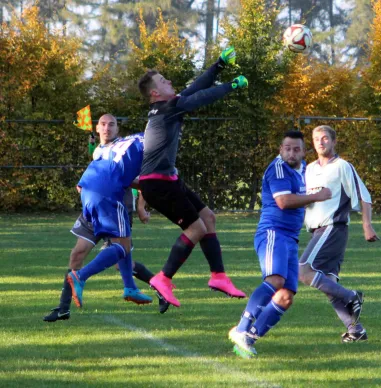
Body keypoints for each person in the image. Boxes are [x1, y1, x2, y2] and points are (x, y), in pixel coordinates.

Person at [137, 46, 248, 307]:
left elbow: (195, 88)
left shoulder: (167, 105)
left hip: (167, 180)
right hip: (157, 183)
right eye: (164, 81)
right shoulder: (167, 108)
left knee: (208, 218)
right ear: (155, 93)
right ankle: (163, 278)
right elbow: (200, 98)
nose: (170, 82)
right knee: (196, 227)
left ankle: (219, 276)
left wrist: (219, 65)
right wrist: (231, 85)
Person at [43, 115, 161, 322]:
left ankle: (158, 288)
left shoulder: (125, 147)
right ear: (97, 128)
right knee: (77, 254)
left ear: (117, 128)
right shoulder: (98, 150)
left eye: (112, 124)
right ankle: (63, 308)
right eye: (103, 124)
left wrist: (141, 206)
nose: (107, 128)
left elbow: (142, 179)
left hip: (116, 206)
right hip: (94, 207)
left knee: (121, 257)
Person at [228, 130, 332, 358]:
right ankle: (242, 328)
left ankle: (249, 338)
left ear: (304, 152)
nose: (291, 153)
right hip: (273, 232)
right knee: (275, 280)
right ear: (280, 150)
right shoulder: (278, 169)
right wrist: (317, 197)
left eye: (296, 149)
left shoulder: (305, 169)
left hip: (291, 238)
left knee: (285, 297)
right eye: (287, 148)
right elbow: (283, 202)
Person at [299, 125, 380, 343]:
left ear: (334, 142)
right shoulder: (309, 169)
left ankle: (352, 296)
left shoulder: (342, 166)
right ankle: (356, 330)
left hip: (332, 228)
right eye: (316, 139)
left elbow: (364, 196)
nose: (321, 142)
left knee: (303, 271)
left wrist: (367, 225)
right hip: (318, 231)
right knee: (328, 285)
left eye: (325, 138)